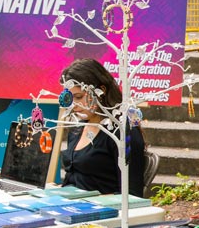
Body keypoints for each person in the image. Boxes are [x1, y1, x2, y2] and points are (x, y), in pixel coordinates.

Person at [59, 58, 145, 197]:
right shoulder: (78, 128)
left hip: (100, 211)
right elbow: (74, 179)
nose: (74, 105)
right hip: (70, 203)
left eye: (79, 97)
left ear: (101, 91)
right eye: (70, 98)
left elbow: (131, 194)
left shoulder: (122, 131)